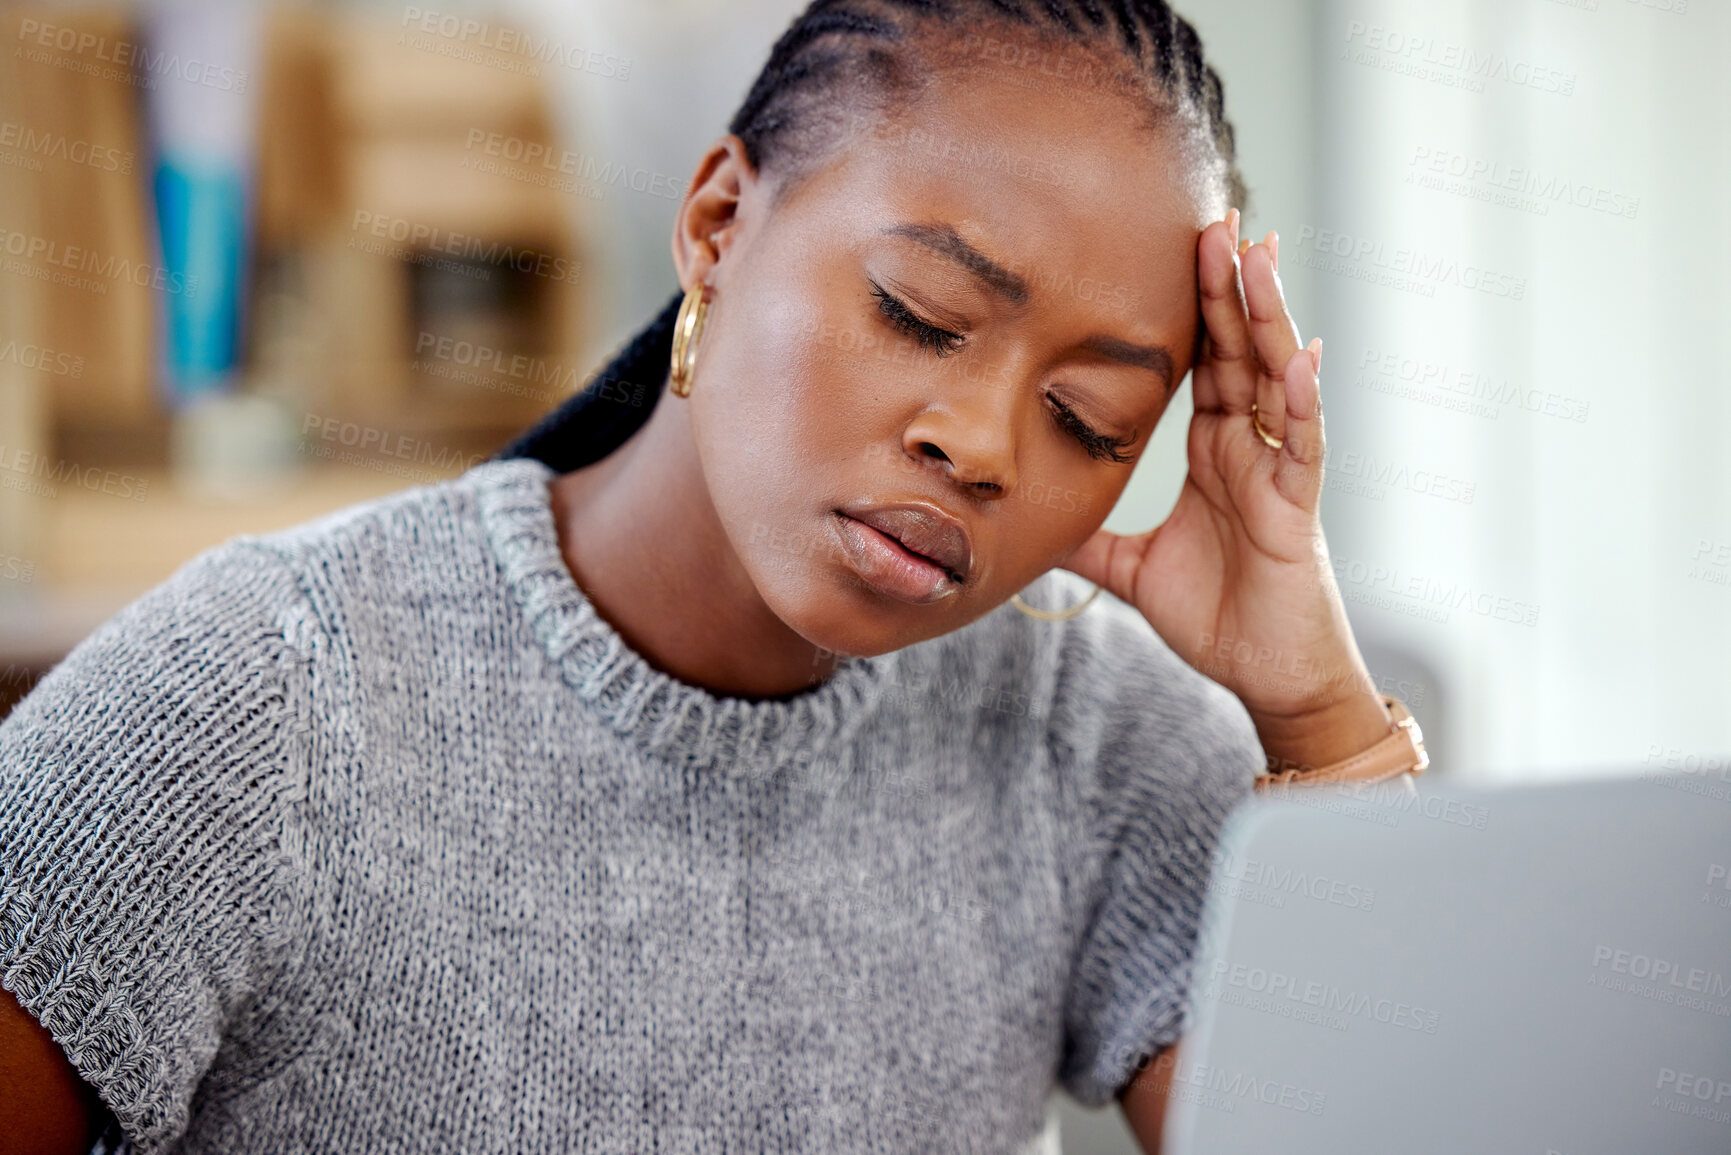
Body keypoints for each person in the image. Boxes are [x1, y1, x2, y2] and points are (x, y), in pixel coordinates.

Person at [0, 1, 1412, 1152]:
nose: (979, 446)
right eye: (921, 317)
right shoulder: (264, 699)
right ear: (720, 224)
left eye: (1087, 423)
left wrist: (1323, 719)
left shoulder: (1082, 731)